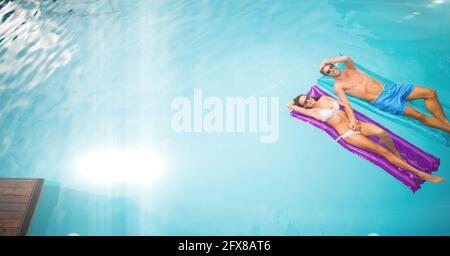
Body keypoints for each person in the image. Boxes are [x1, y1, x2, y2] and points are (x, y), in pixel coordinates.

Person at [286, 94, 444, 183]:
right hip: (349, 134)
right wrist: (295, 103)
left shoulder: (325, 99)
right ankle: (422, 174)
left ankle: (396, 153)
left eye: (307, 98)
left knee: (383, 133)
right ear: (305, 107)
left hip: (356, 124)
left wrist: (354, 120)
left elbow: (346, 106)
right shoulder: (313, 112)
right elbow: (290, 106)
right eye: (305, 102)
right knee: (383, 151)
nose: (308, 100)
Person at [319, 55, 450, 133]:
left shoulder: (350, 68)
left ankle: (444, 122)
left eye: (331, 67)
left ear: (335, 66)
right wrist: (353, 120)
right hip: (383, 100)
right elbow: (346, 104)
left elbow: (346, 58)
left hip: (392, 88)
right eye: (328, 71)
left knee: (430, 93)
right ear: (328, 76)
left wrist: (325, 62)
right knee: (418, 115)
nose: (332, 70)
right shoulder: (338, 86)